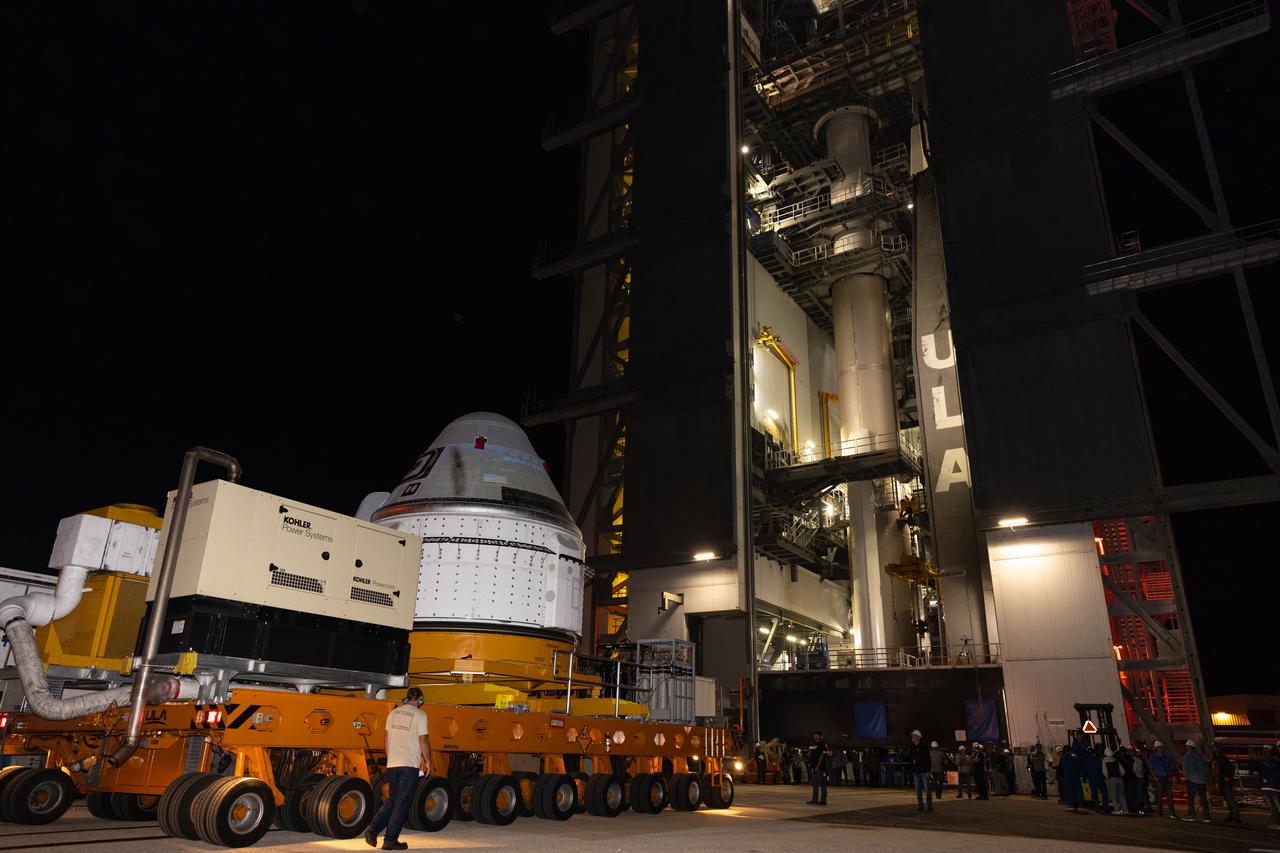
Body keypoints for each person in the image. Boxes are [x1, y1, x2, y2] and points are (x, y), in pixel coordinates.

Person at [365, 687, 430, 851]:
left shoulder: (392, 714)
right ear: (419, 699)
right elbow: (423, 741)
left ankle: (373, 829)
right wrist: (427, 761)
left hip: (393, 764)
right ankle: (390, 840)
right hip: (409, 766)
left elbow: (386, 738)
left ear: (407, 698)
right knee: (402, 803)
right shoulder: (420, 715)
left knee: (393, 800)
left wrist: (390, 758)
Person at [1181, 740, 1211, 823]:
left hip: (1192, 780)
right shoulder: (1199, 757)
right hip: (1202, 781)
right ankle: (1207, 816)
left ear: (1188, 747)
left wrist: (1187, 777)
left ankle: (1191, 815)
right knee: (1203, 799)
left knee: (1191, 798)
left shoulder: (1186, 757)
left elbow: (1186, 770)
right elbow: (1205, 769)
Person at [1212, 741, 1241, 823]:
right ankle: (1232, 815)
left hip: (1226, 782)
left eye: (1214, 748)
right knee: (1227, 799)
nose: (1212, 749)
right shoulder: (1216, 758)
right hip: (1221, 781)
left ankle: (1236, 817)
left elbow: (1231, 768)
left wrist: (1228, 776)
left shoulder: (1223, 759)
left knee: (1230, 799)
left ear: (1218, 749)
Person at [1148, 740, 1177, 819]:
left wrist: (1171, 776)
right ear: (1157, 748)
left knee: (1169, 796)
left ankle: (1172, 813)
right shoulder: (1152, 757)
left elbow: (1170, 767)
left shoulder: (1166, 757)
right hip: (1159, 778)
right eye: (1160, 748)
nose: (1162, 749)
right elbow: (1150, 768)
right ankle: (1159, 813)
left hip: (1166, 778)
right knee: (1159, 796)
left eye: (1162, 748)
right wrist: (1154, 777)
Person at [1254, 744, 1280, 828]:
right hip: (1266, 786)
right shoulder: (1263, 762)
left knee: (1278, 805)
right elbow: (1253, 767)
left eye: (1267, 750)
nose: (1265, 752)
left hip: (1275, 786)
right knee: (1272, 807)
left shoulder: (1276, 760)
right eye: (1264, 750)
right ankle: (1276, 823)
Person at [908, 730, 933, 812]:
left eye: (914, 735)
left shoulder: (923, 747)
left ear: (918, 737)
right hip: (916, 771)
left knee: (927, 789)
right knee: (918, 790)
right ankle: (920, 805)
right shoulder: (912, 747)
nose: (912, 737)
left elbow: (928, 759)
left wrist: (928, 771)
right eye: (912, 735)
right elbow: (911, 758)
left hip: (924, 771)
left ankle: (929, 806)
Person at [1120, 746, 1145, 815]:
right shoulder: (1132, 759)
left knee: (1131, 795)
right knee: (1135, 794)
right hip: (1134, 778)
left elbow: (1137, 769)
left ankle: (1134, 809)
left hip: (1130, 779)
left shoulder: (1126, 760)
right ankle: (1137, 809)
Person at [1103, 748, 1128, 815]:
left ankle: (1117, 810)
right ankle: (1125, 809)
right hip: (1120, 778)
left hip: (1112, 779)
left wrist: (1108, 777)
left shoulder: (1104, 760)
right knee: (1122, 795)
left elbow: (1104, 771)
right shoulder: (1116, 760)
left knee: (1114, 795)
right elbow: (1123, 771)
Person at [806, 730, 829, 805]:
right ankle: (814, 799)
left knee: (822, 784)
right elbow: (809, 755)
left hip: (820, 768)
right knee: (815, 784)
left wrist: (817, 767)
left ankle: (823, 801)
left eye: (817, 736)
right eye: (814, 736)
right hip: (814, 768)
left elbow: (822, 757)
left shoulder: (822, 745)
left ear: (820, 737)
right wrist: (809, 750)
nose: (815, 737)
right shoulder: (813, 745)